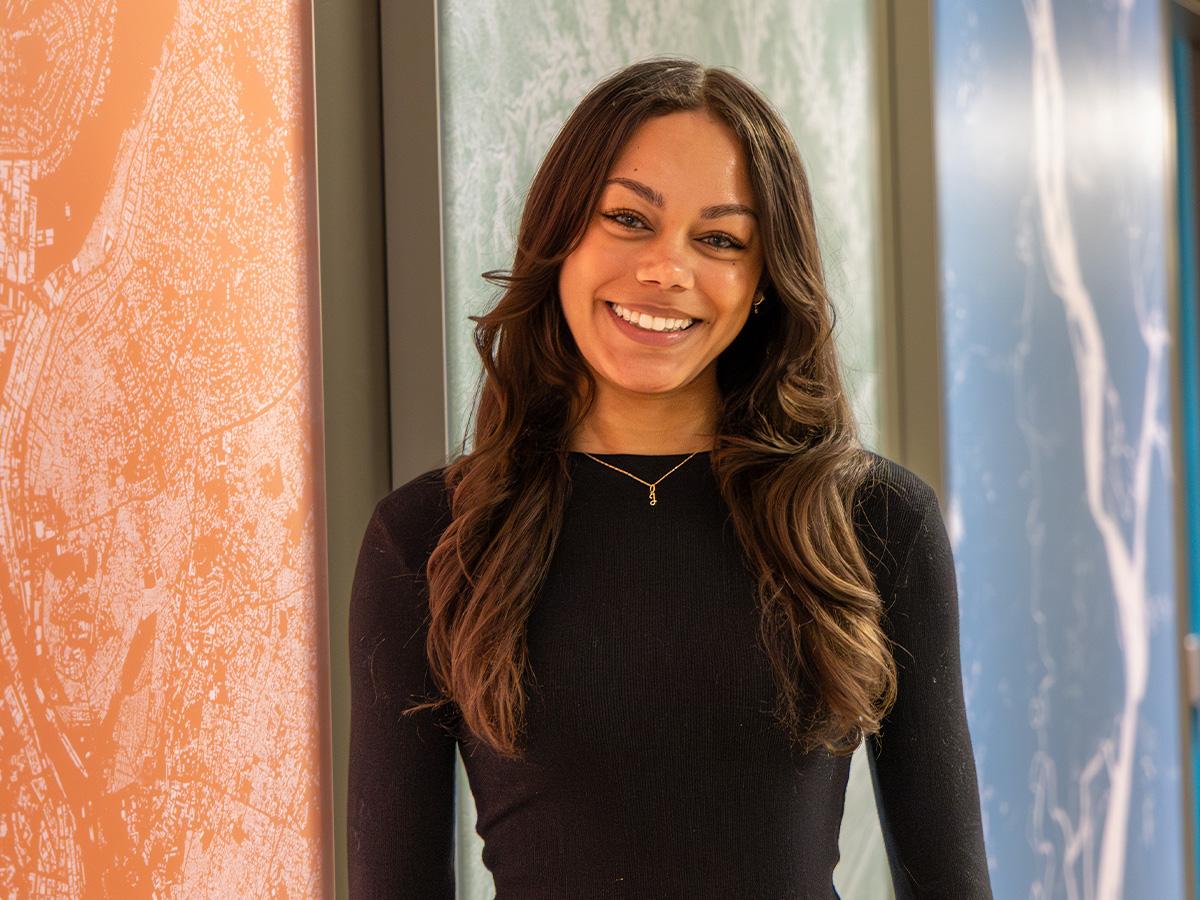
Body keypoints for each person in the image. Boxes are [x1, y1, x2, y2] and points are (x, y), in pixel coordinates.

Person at [347, 57, 992, 899]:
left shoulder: (874, 520)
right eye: (627, 219)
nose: (666, 270)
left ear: (763, 283)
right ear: (560, 237)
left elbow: (950, 881)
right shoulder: (430, 535)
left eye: (720, 239)